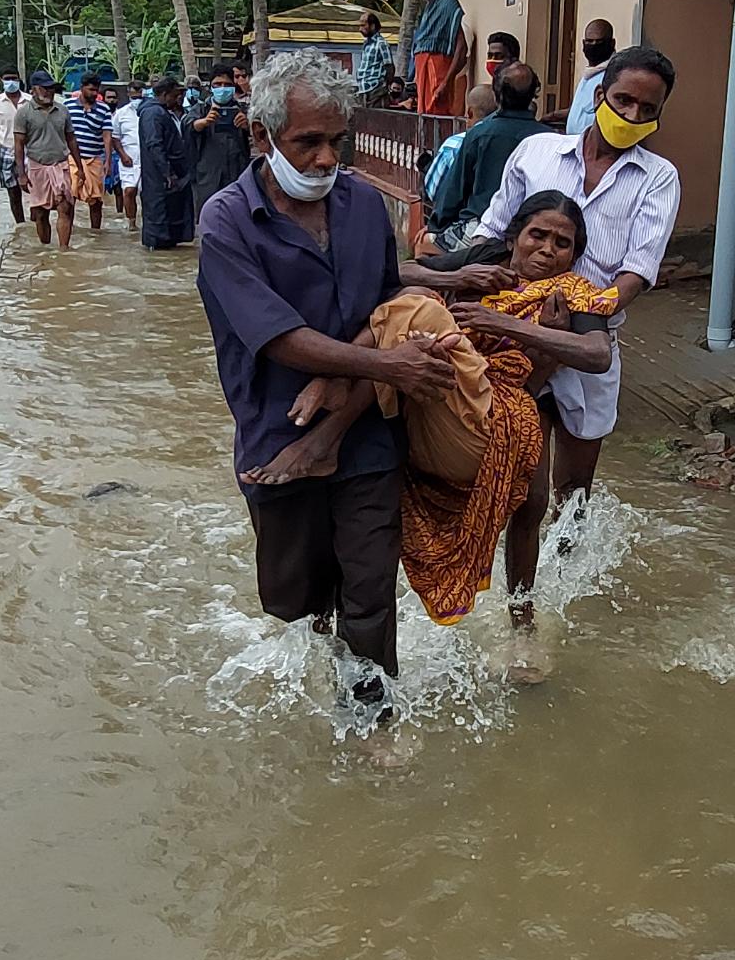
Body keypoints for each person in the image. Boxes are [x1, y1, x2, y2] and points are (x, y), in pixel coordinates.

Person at [196, 47, 456, 714]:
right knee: (292, 599)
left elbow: (385, 304)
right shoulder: (225, 221)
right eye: (307, 142)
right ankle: (319, 643)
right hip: (276, 434)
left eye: (336, 142)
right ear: (261, 136)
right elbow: (278, 338)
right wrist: (382, 364)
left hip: (369, 430)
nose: (323, 160)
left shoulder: (366, 206)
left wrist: (348, 390)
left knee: (369, 587)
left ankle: (370, 719)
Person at [249, 192, 617, 627]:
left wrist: (509, 325)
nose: (547, 251)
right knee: (416, 302)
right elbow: (395, 274)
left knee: (530, 504)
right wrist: (457, 275)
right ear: (514, 235)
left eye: (563, 244)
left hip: (493, 417)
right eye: (538, 235)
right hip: (433, 400)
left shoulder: (572, 292)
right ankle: (330, 612)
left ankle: (523, 620)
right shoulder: (485, 260)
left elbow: (597, 354)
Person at [474, 45, 680, 604]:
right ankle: (521, 600)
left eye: (647, 108)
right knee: (526, 490)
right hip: (518, 337)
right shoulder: (536, 152)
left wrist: (586, 313)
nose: (633, 116)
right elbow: (494, 232)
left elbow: (639, 268)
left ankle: (569, 582)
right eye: (623, 101)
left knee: (576, 483)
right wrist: (459, 279)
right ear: (598, 96)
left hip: (591, 338)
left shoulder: (658, 178)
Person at [423, 63, 549, 254]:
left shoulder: (479, 134)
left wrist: (435, 228)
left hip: (478, 228)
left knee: (423, 248)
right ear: (533, 95)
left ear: (497, 94)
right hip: (530, 233)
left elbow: (454, 191)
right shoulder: (550, 139)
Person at [13, 69, 86, 250]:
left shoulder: (62, 111)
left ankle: (63, 249)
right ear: (34, 90)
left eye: (51, 89)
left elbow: (71, 139)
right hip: (37, 166)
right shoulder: (23, 114)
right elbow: (19, 145)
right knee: (40, 213)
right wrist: (21, 174)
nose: (49, 92)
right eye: (45, 89)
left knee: (65, 207)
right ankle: (45, 248)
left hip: (61, 165)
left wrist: (80, 166)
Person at [137, 75, 193, 249]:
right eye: (174, 95)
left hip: (168, 176)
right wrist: (167, 172)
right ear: (164, 94)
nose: (177, 99)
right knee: (159, 219)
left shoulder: (160, 112)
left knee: (171, 216)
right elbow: (154, 144)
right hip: (159, 178)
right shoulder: (153, 114)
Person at [422, 84, 497, 207]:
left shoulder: (453, 145)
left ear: (470, 112)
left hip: (459, 219)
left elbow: (432, 191)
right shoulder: (511, 143)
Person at [187, 62, 250, 210]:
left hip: (237, 171)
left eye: (226, 84)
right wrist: (203, 122)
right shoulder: (201, 109)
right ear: (210, 87)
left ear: (233, 86)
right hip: (209, 173)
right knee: (210, 213)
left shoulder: (242, 109)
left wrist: (247, 126)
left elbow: (261, 132)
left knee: (237, 212)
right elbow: (188, 126)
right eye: (217, 84)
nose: (222, 88)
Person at [412, 0, 467, 115]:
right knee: (426, 116)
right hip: (425, 70)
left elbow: (462, 47)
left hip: (437, 70)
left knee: (437, 113)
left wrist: (445, 82)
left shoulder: (449, 5)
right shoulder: (432, 6)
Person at [544, 20, 617, 131]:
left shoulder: (614, 76)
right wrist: (553, 116)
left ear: (612, 43)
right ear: (583, 43)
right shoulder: (589, 74)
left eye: (599, 42)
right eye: (589, 41)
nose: (594, 45)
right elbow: (581, 111)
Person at [65, 72, 113, 232]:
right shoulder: (67, 106)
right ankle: (67, 230)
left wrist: (108, 160)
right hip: (71, 158)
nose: (94, 93)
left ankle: (95, 233)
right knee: (69, 197)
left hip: (94, 159)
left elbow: (107, 135)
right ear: (82, 88)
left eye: (96, 90)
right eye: (91, 89)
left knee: (96, 199)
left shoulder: (104, 109)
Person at [0, 67, 31, 225]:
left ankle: (37, 223)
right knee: (13, 193)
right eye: (7, 79)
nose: (11, 82)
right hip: (7, 151)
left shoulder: (30, 101)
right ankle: (21, 225)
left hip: (30, 151)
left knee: (35, 191)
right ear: (1, 81)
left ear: (19, 80)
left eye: (14, 78)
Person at [111, 83, 143, 232]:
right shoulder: (121, 114)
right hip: (128, 160)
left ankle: (148, 221)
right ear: (128, 94)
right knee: (129, 191)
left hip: (147, 159)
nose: (136, 98)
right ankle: (131, 223)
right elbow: (115, 137)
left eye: (139, 94)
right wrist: (122, 155)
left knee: (147, 193)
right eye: (133, 95)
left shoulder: (151, 111)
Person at [356, 11, 392, 103]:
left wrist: (386, 86)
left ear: (372, 26)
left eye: (363, 25)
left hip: (375, 89)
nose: (360, 29)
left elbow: (389, 67)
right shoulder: (366, 44)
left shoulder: (381, 43)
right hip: (363, 88)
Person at [102, 86, 124, 213]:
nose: (112, 100)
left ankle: (120, 215)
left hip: (118, 156)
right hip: (101, 156)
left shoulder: (121, 115)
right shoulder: (100, 114)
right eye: (109, 97)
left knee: (119, 189)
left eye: (114, 98)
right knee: (100, 189)